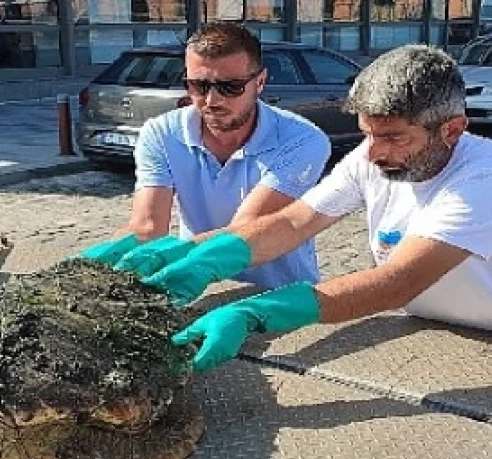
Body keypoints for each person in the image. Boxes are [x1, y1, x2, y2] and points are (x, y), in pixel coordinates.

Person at [89, 44, 492, 373]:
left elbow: (398, 282)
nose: (374, 151)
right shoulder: (371, 158)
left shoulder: (491, 182)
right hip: (429, 336)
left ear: (450, 130)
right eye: (367, 133)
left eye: (393, 138)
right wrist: (204, 256)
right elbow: (293, 222)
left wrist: (261, 312)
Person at [81, 23, 331, 290]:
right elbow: (148, 226)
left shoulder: (302, 140)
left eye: (230, 87)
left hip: (279, 292)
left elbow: (246, 230)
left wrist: (170, 256)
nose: (212, 100)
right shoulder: (162, 133)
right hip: (195, 283)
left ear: (260, 82)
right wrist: (99, 266)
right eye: (198, 86)